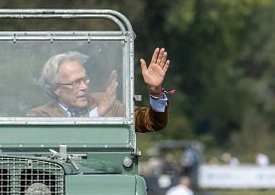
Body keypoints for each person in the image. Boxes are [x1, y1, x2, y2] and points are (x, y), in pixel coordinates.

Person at [27, 47, 171, 133]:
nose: (84, 87)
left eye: (85, 79)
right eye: (76, 83)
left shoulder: (105, 102)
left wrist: (155, 92)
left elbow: (152, 122)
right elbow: (60, 138)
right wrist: (98, 113)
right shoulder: (40, 115)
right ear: (55, 89)